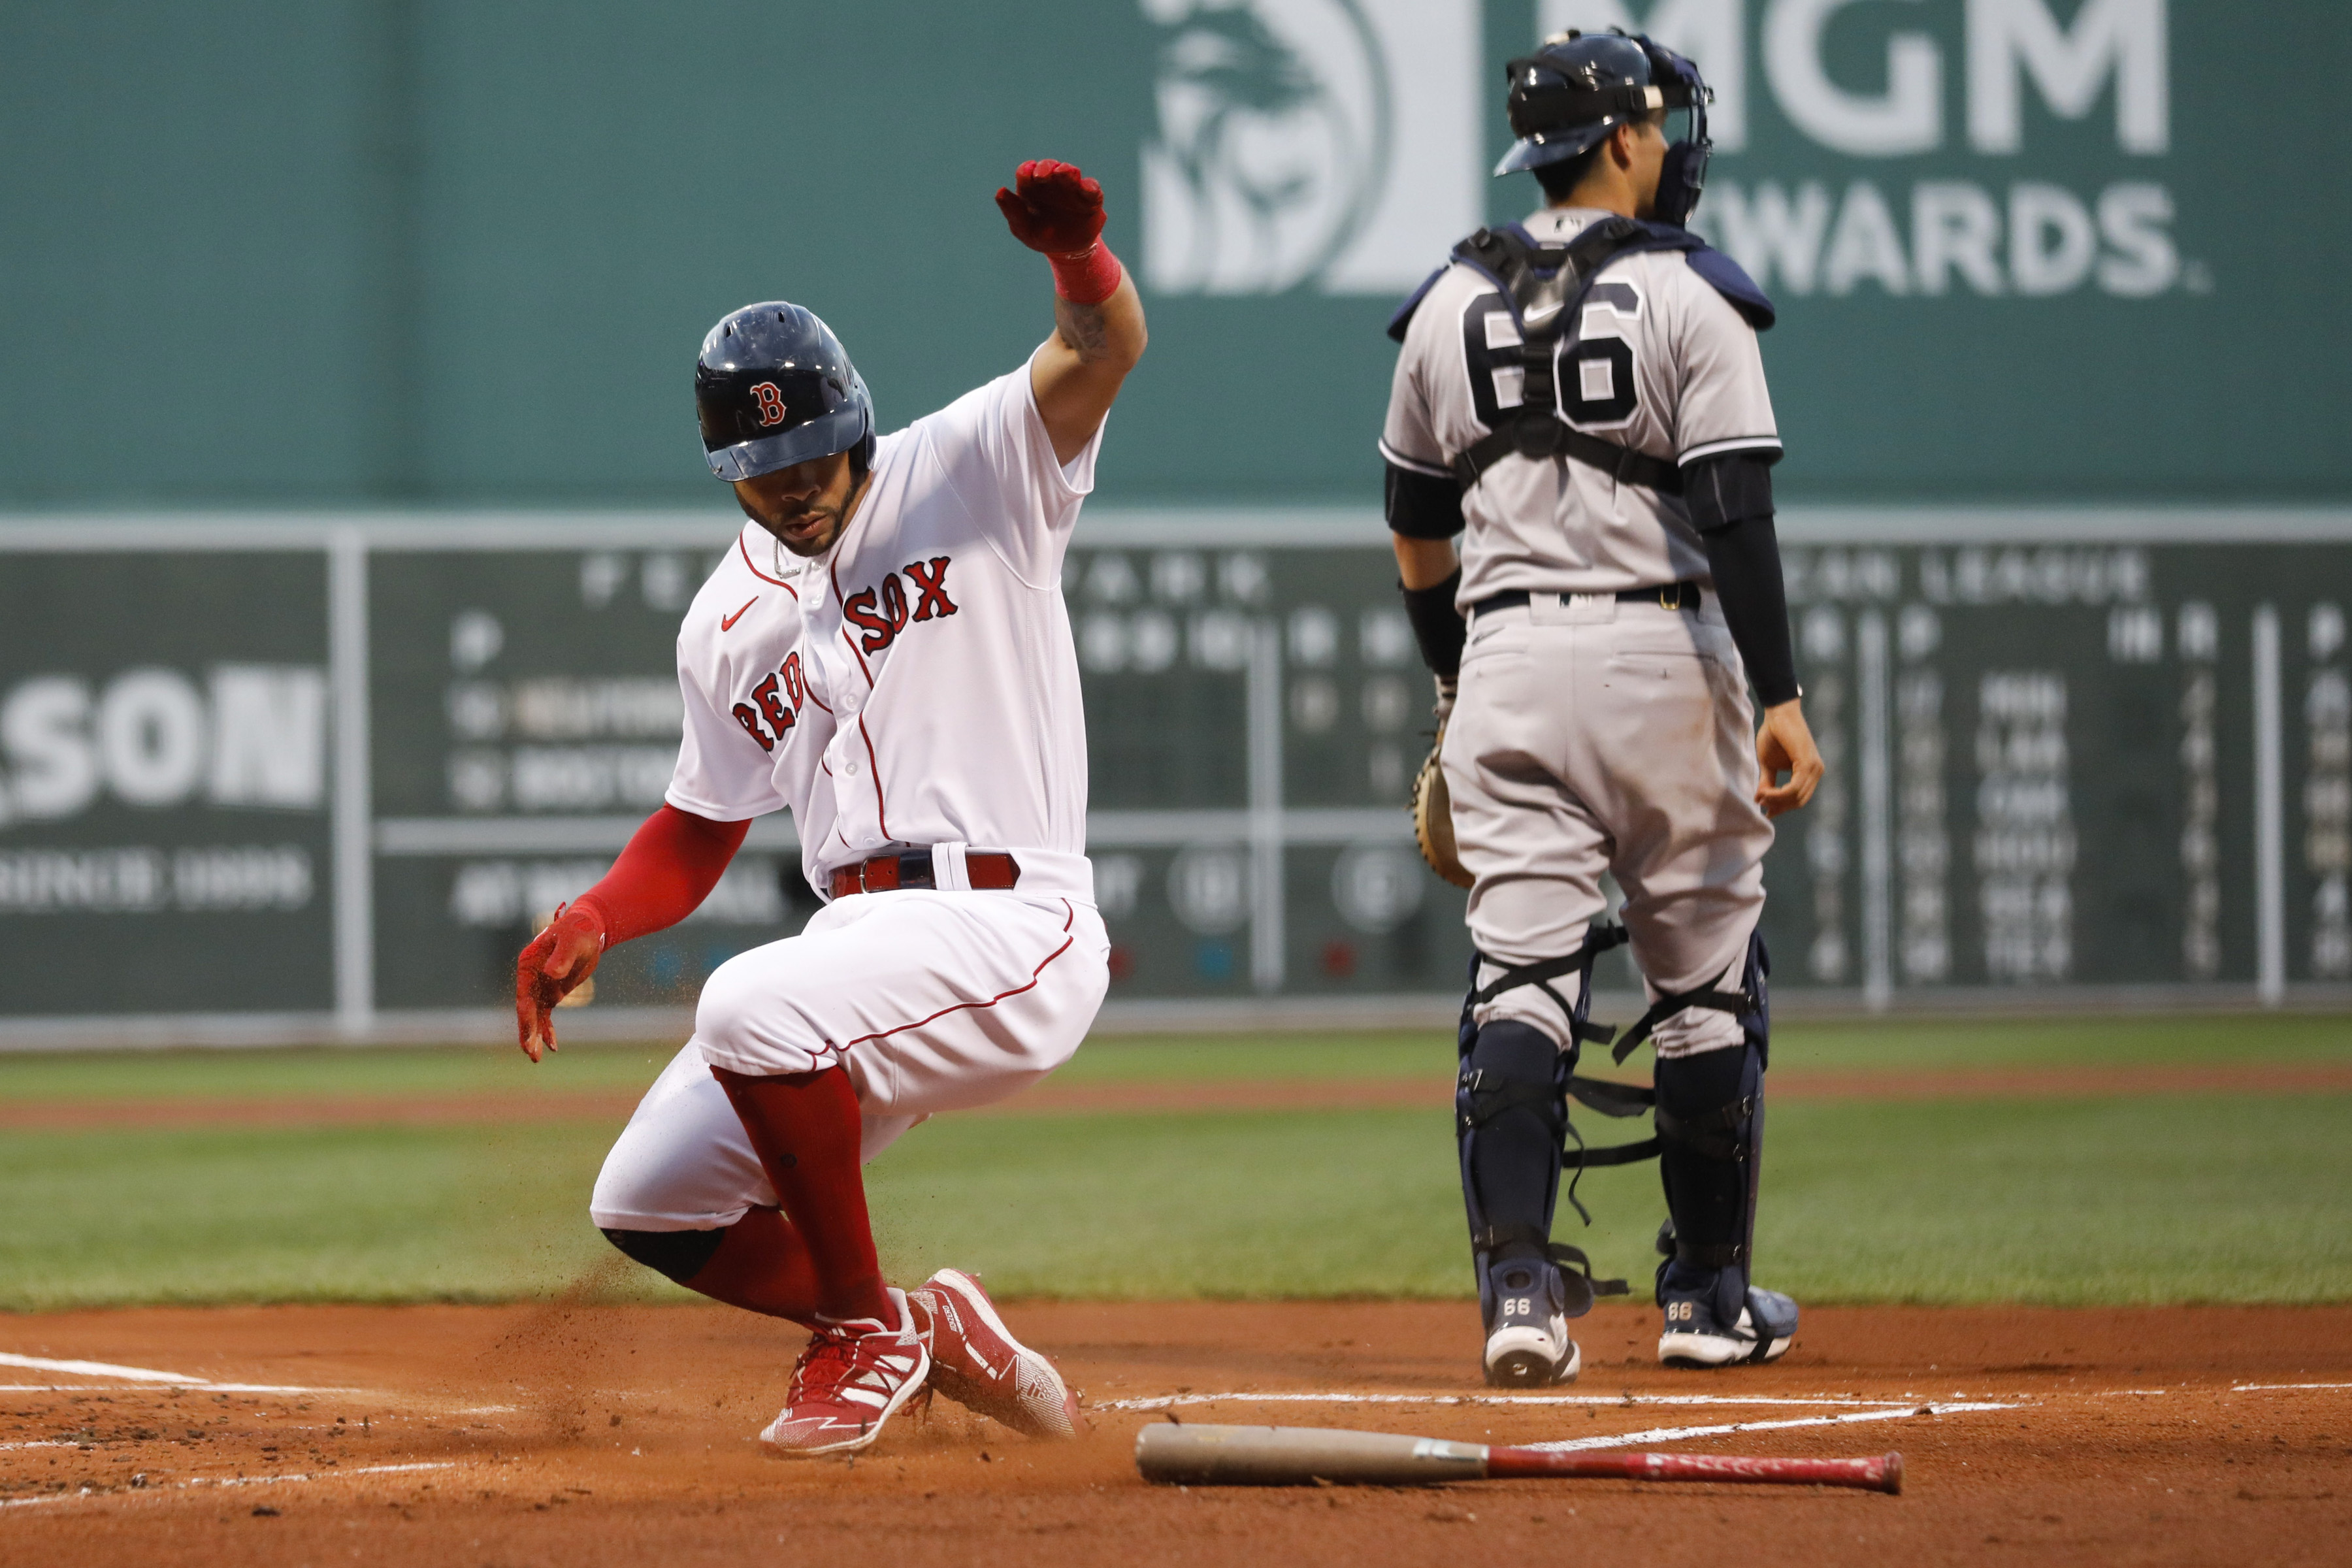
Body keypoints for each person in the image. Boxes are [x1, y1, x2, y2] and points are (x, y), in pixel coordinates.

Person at [512, 159, 1146, 1456]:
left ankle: (857, 1331)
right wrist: (591, 914)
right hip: (860, 952)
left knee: (749, 1003)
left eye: (810, 451)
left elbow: (1102, 349)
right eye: (761, 466)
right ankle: (922, 1323)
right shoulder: (726, 624)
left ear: (853, 423)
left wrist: (1078, 261)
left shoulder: (972, 470)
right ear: (722, 469)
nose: (793, 482)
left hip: (1011, 921)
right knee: (646, 1200)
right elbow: (697, 829)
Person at [1379, 31, 1823, 1386]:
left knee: (1519, 977)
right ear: (1624, 139)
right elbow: (1734, 512)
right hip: (1662, 657)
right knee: (1701, 994)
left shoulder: (1445, 302)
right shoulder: (1691, 297)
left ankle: (1520, 1295)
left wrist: (1456, 691)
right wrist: (1784, 697)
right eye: (1659, 125)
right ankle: (1705, 1301)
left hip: (1506, 661)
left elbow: (1416, 535)